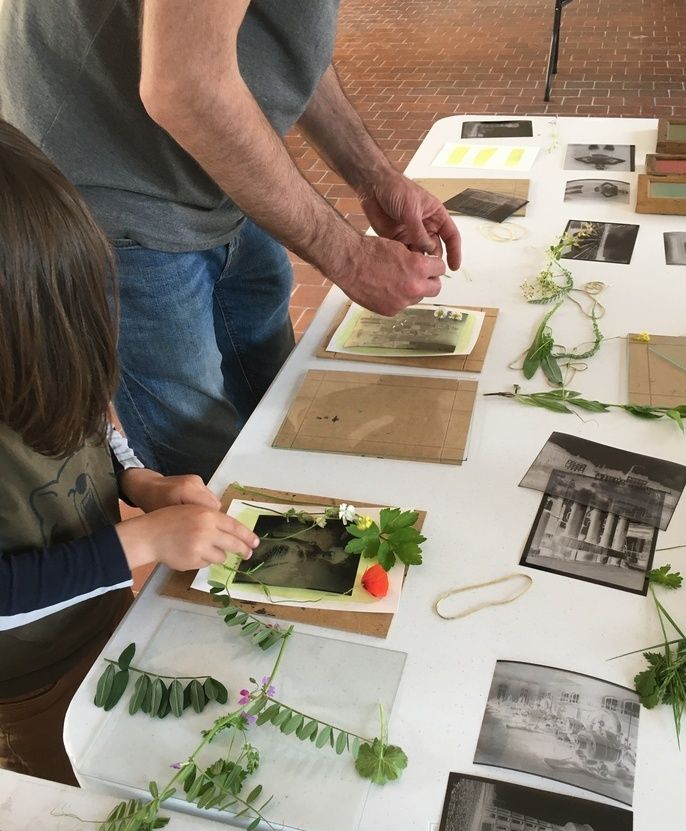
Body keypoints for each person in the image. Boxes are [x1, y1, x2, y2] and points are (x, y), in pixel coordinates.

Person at [0, 0, 462, 481]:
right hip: (108, 190)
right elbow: (184, 84)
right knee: (206, 464)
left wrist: (373, 175)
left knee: (279, 393)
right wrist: (349, 259)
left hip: (217, 171)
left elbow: (286, 36)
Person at [0, 120, 259, 784]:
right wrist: (139, 543)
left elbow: (95, 412)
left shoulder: (44, 330)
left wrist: (139, 480)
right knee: (89, 808)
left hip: (108, 616)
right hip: (26, 687)